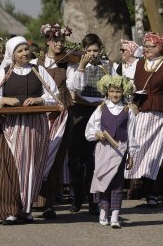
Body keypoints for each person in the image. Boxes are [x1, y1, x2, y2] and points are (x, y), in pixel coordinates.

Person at [0, 36, 60, 225]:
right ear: (12, 55)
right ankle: (10, 210)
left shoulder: (38, 70)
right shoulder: (5, 73)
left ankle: (27, 209)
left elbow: (54, 95)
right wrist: (3, 100)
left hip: (35, 127)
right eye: (20, 51)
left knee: (32, 167)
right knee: (9, 167)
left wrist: (40, 100)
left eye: (26, 49)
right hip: (11, 128)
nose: (25, 53)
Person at [124, 32, 163, 208]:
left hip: (162, 115)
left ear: (161, 48)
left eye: (152, 46)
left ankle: (153, 193)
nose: (148, 49)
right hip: (141, 113)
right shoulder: (138, 64)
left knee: (158, 153)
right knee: (137, 149)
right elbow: (131, 86)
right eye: (146, 46)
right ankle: (138, 187)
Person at [33, 23, 79, 219]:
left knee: (56, 157)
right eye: (55, 40)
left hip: (61, 112)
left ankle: (49, 203)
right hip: (41, 112)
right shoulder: (36, 62)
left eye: (62, 40)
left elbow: (73, 86)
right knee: (37, 155)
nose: (59, 44)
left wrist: (81, 66)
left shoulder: (68, 63)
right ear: (48, 41)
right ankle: (33, 199)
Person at [85, 75, 138, 228]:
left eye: (118, 91)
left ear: (124, 92)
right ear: (107, 92)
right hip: (103, 149)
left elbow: (131, 134)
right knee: (103, 181)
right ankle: (103, 211)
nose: (115, 94)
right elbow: (90, 129)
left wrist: (131, 155)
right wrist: (97, 134)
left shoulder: (127, 111)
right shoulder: (101, 108)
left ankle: (115, 215)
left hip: (119, 149)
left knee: (117, 182)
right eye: (112, 91)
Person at [68, 33, 111, 215]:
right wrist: (81, 67)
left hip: (99, 114)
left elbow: (113, 88)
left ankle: (94, 201)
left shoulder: (107, 67)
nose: (93, 53)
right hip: (79, 115)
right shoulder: (75, 66)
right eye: (89, 50)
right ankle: (77, 198)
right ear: (84, 51)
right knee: (76, 161)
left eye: (95, 50)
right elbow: (73, 89)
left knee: (95, 160)